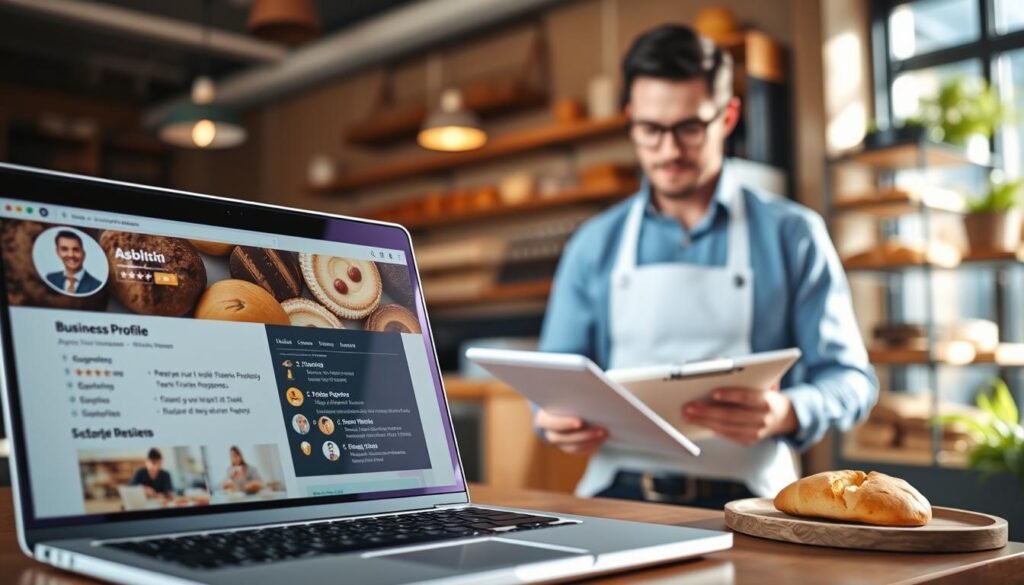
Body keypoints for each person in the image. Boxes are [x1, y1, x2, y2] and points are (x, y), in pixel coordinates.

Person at [535, 24, 877, 508]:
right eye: (651, 129)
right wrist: (552, 419)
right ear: (631, 118)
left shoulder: (792, 234)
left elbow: (852, 380)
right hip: (616, 496)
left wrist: (787, 411)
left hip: (755, 504)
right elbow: (553, 378)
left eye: (689, 127)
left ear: (728, 115)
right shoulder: (593, 244)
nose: (670, 150)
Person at [45, 230, 101, 295]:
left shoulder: (96, 285)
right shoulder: (50, 279)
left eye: (76, 249)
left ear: (83, 253)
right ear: (58, 252)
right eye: (64, 249)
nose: (71, 255)